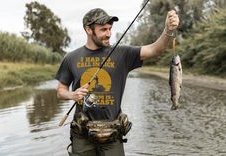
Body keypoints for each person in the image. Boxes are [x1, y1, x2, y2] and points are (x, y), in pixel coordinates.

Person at [56, 8, 179, 156]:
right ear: (88, 30)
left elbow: (155, 50)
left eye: (110, 29)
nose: (108, 33)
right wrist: (72, 95)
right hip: (81, 136)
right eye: (103, 29)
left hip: (113, 136)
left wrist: (167, 30)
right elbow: (60, 92)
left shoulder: (122, 54)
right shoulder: (71, 58)